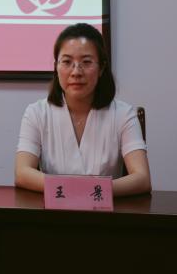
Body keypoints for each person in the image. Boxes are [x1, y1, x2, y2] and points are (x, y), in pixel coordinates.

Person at [14, 23, 151, 196]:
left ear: (101, 68)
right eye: (67, 62)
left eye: (86, 62)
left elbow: (142, 178)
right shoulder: (36, 113)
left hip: (105, 210)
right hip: (53, 211)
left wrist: (89, 192)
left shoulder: (123, 114)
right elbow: (22, 173)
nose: (76, 72)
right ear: (56, 67)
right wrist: (80, 190)